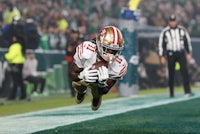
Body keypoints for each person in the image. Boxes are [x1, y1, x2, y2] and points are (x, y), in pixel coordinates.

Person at [70, 26, 128, 111]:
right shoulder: (87, 49)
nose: (110, 54)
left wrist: (102, 84)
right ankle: (81, 91)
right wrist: (81, 75)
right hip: (85, 71)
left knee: (97, 91)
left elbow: (105, 90)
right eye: (107, 49)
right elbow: (72, 73)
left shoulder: (120, 64)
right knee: (78, 83)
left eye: (114, 51)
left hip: (99, 83)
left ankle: (96, 98)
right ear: (99, 44)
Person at [158, 14, 193, 98]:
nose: (173, 23)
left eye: (174, 21)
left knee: (184, 72)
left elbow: (187, 42)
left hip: (180, 53)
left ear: (176, 21)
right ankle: (171, 92)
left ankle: (187, 91)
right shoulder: (165, 32)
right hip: (171, 54)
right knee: (171, 73)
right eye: (171, 21)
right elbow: (161, 44)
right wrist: (162, 55)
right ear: (169, 22)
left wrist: (189, 53)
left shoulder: (182, 30)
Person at [4, 23, 27, 100]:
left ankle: (14, 96)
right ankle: (22, 95)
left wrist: (5, 55)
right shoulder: (20, 45)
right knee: (19, 80)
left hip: (15, 64)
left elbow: (11, 56)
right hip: (19, 63)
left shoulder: (15, 45)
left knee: (15, 81)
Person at [65, 29, 80, 97]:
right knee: (71, 77)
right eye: (73, 33)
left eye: (76, 33)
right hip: (71, 61)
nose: (75, 35)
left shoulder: (78, 41)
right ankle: (72, 92)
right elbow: (68, 52)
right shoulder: (69, 42)